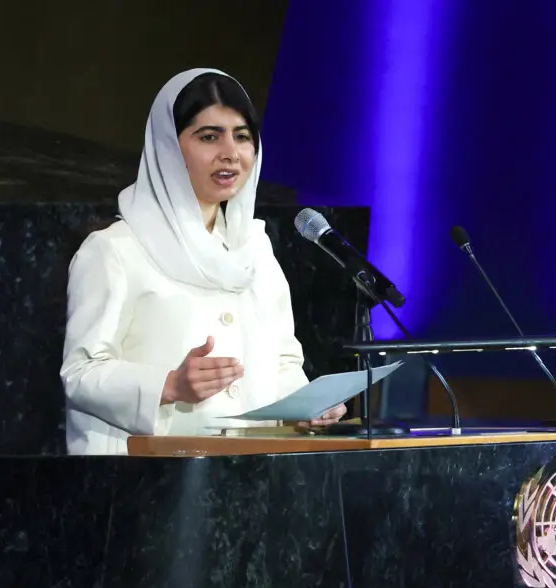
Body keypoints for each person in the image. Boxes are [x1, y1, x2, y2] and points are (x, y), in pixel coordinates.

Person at [60, 68, 344, 455]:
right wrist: (170, 386)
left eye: (242, 137)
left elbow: (282, 363)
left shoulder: (256, 252)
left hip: (247, 479)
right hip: (143, 484)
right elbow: (80, 373)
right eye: (209, 136)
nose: (230, 153)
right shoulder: (115, 250)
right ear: (167, 147)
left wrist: (308, 405)